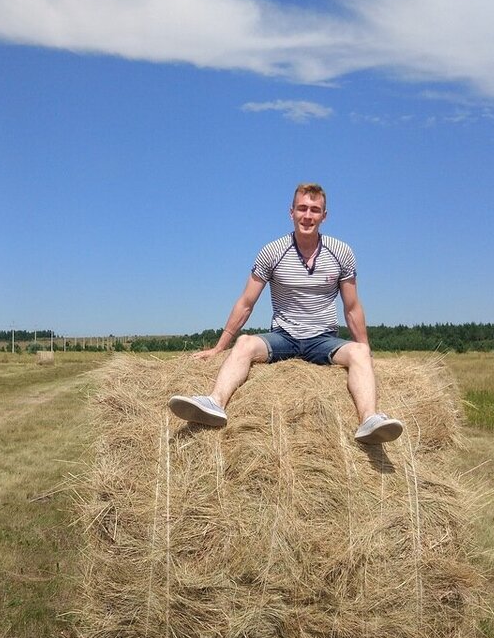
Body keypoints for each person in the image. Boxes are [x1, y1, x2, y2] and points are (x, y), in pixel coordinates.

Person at [169, 182, 403, 445]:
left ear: (324, 216)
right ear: (291, 212)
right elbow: (246, 302)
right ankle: (214, 403)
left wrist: (366, 350)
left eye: (315, 210)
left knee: (359, 352)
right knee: (245, 342)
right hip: (283, 337)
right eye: (302, 208)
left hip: (323, 339)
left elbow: (352, 307)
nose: (307, 215)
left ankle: (369, 420)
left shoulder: (341, 253)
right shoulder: (273, 251)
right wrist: (218, 347)